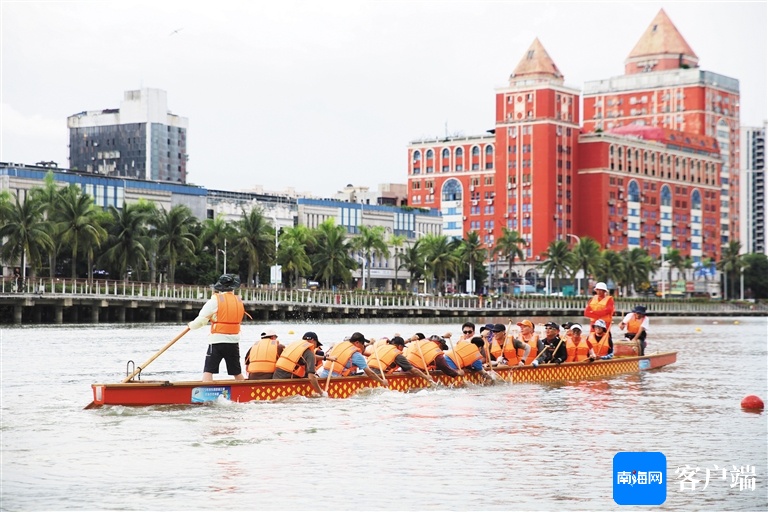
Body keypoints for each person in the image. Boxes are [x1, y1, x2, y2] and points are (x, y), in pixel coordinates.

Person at [188, 274, 247, 382]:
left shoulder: (215, 301)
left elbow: (201, 321)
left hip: (217, 341)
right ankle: (244, 390)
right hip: (234, 341)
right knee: (236, 372)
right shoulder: (239, 301)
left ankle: (205, 393)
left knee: (208, 371)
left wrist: (190, 325)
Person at [319, 332, 388, 387]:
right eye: (363, 343)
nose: (363, 346)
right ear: (357, 343)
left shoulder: (340, 345)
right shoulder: (356, 355)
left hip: (323, 377)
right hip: (336, 382)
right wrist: (382, 381)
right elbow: (370, 373)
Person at [273, 331, 326, 397]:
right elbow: (311, 377)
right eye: (316, 344)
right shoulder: (309, 354)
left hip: (275, 377)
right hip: (284, 382)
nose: (315, 347)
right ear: (313, 341)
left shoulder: (294, 346)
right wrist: (321, 393)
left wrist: (326, 358)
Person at [366, 336, 433, 384]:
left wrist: (410, 339)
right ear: (400, 346)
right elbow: (413, 370)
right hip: (378, 376)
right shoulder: (397, 355)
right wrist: (426, 377)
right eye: (403, 347)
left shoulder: (382, 347)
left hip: (367, 373)